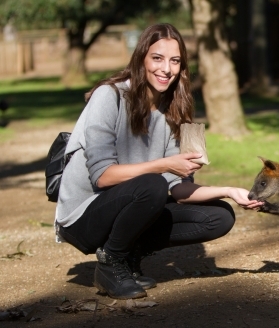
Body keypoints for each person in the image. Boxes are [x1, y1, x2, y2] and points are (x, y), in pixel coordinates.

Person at [54, 23, 262, 300]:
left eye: (175, 61)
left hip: (132, 200)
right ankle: (111, 262)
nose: (166, 68)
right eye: (157, 58)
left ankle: (129, 255)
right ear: (141, 58)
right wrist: (165, 165)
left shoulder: (174, 112)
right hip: (84, 216)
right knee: (151, 185)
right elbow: (103, 177)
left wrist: (230, 192)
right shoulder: (110, 96)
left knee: (219, 216)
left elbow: (178, 190)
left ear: (182, 67)